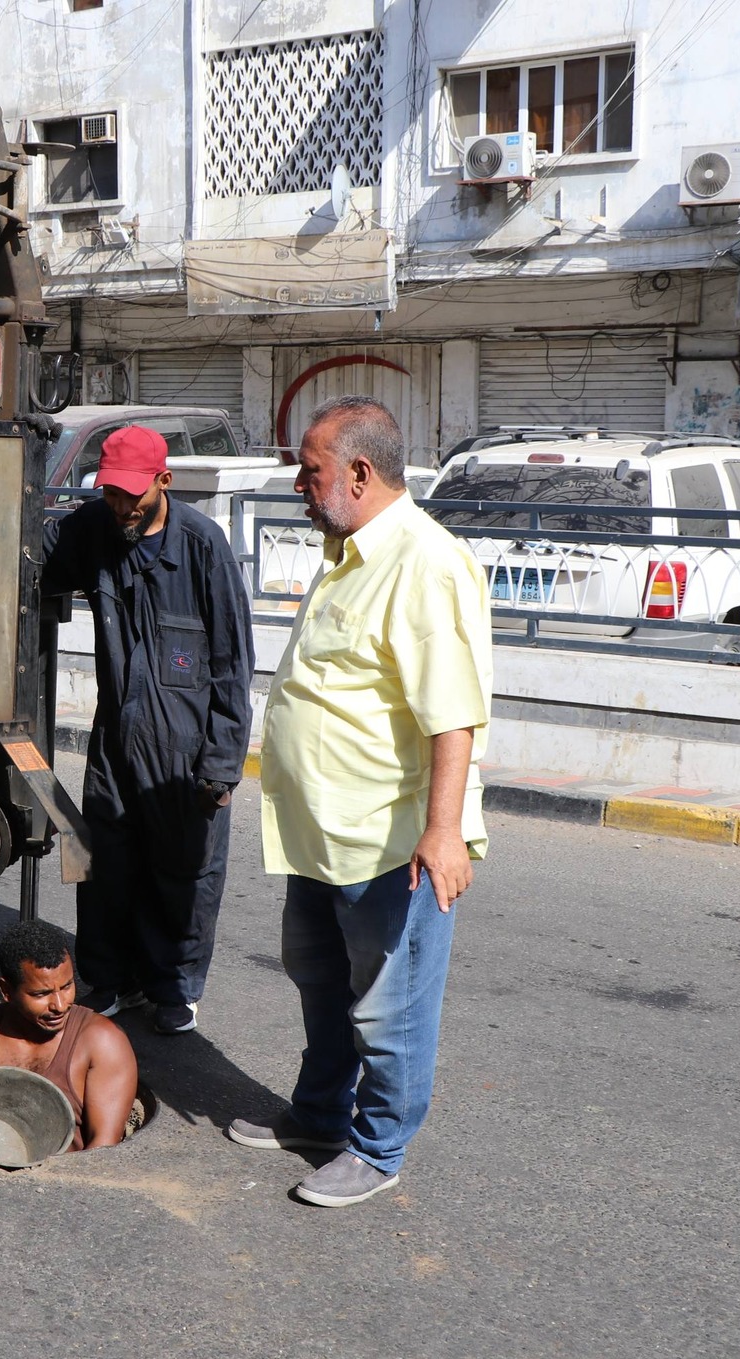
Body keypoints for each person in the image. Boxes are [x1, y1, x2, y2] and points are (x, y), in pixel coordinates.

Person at [231, 395, 492, 1209]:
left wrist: (443, 832)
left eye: (309, 473)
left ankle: (379, 1148)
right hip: (321, 835)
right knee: (321, 982)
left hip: (389, 842)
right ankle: (318, 1115)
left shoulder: (424, 561)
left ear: (358, 472)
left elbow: (453, 711)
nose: (299, 489)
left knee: (390, 1007)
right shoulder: (349, 550)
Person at [42, 424, 254, 1035]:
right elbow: (35, 558)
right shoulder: (96, 527)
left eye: (131, 495)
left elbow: (233, 664)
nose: (120, 507)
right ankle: (109, 979)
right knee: (99, 863)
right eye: (109, 494)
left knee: (183, 872)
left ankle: (174, 987)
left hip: (185, 749)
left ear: (164, 482)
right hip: (115, 739)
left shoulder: (203, 547)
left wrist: (220, 764)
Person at [0, 919, 139, 1150]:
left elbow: (103, 1149)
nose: (60, 1005)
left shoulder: (102, 1041)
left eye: (66, 987)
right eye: (41, 994)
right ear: (6, 991)